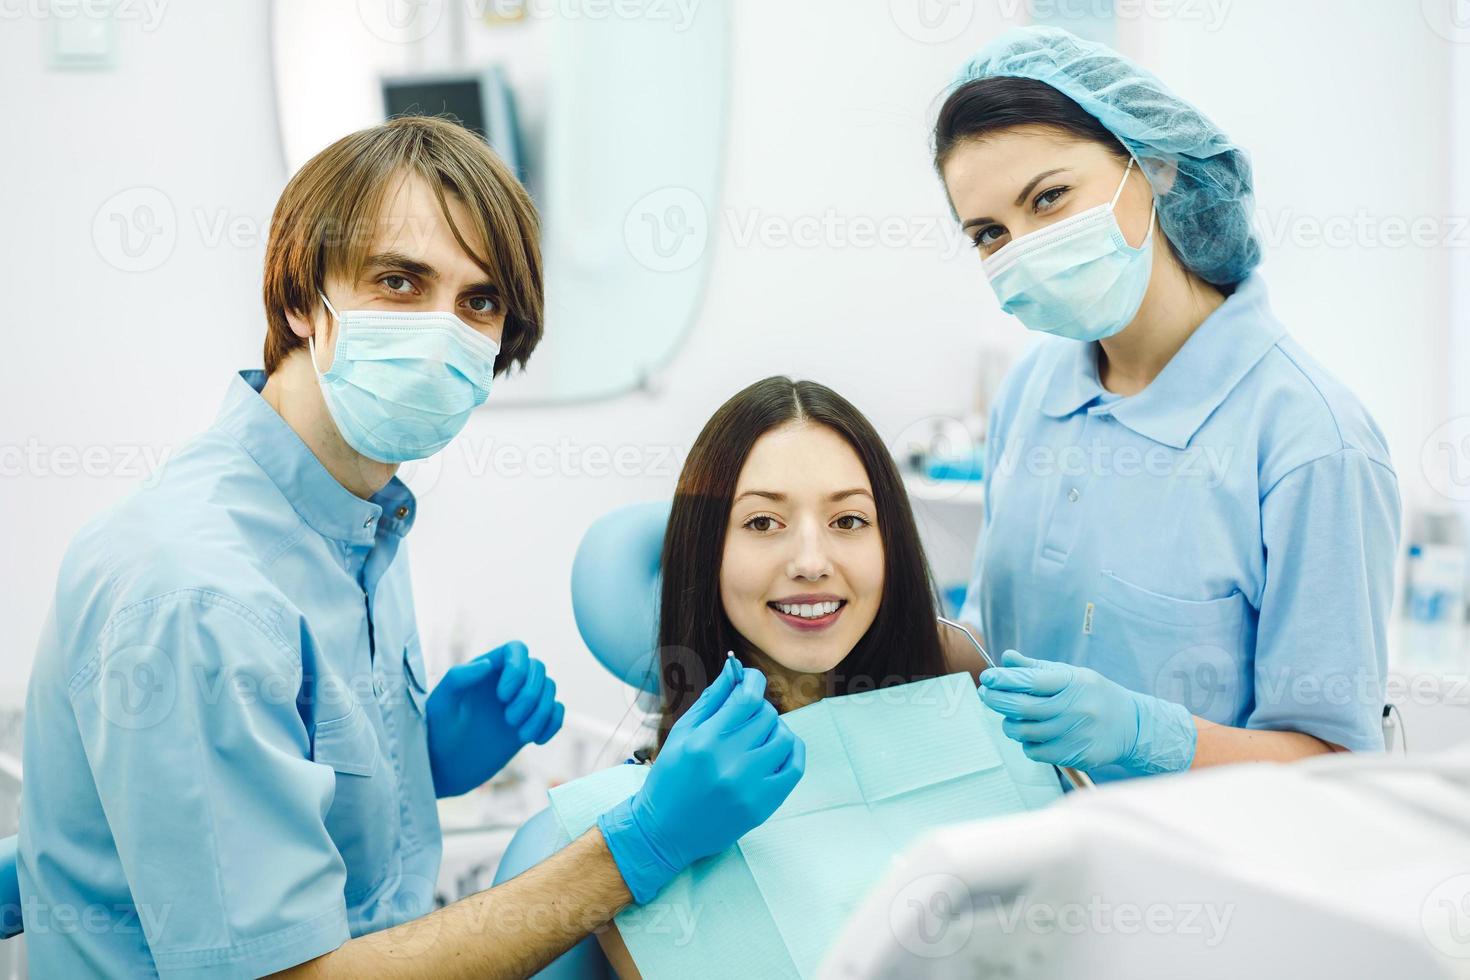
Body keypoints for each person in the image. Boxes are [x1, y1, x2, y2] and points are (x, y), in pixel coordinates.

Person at [18, 116, 803, 979]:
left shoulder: (355, 520)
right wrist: (640, 845)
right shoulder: (199, 589)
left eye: (479, 302)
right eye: (399, 282)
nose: (444, 332)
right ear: (298, 302)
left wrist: (413, 769)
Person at [935, 27, 1400, 782]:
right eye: (989, 233)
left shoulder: (1311, 440)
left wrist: (1150, 734)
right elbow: (995, 646)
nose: (1021, 249)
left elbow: (1336, 767)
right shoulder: (1031, 392)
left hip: (1198, 884)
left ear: (1154, 168)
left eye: (1049, 198)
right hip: (1028, 857)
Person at [597, 375, 1015, 977]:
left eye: (848, 521)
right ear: (704, 550)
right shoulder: (656, 816)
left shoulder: (967, 700)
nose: (812, 563)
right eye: (763, 523)